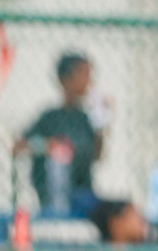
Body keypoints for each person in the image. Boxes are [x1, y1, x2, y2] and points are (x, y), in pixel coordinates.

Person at [18, 53, 107, 217]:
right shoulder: (50, 117)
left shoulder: (85, 118)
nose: (89, 82)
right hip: (53, 193)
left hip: (83, 191)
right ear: (66, 80)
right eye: (84, 75)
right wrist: (49, 145)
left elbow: (97, 155)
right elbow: (19, 146)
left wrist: (102, 125)